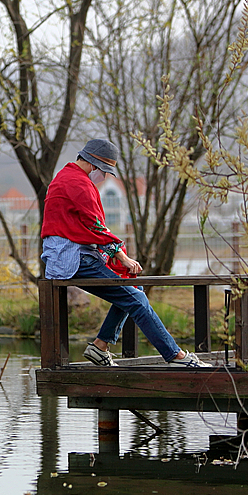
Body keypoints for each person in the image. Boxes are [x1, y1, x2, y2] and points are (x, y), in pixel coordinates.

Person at [40, 138, 211, 368]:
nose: (105, 177)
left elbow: (85, 226)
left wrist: (116, 253)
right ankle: (175, 356)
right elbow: (95, 226)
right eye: (105, 171)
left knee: (134, 289)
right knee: (137, 298)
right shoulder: (77, 183)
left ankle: (100, 347)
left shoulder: (66, 177)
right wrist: (122, 256)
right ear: (94, 164)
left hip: (70, 254)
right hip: (72, 258)